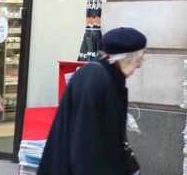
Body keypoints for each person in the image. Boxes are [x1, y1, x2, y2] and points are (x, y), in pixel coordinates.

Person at [39, 27, 147, 175]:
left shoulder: (102, 75)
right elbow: (85, 144)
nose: (140, 65)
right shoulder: (97, 80)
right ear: (126, 58)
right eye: (139, 59)